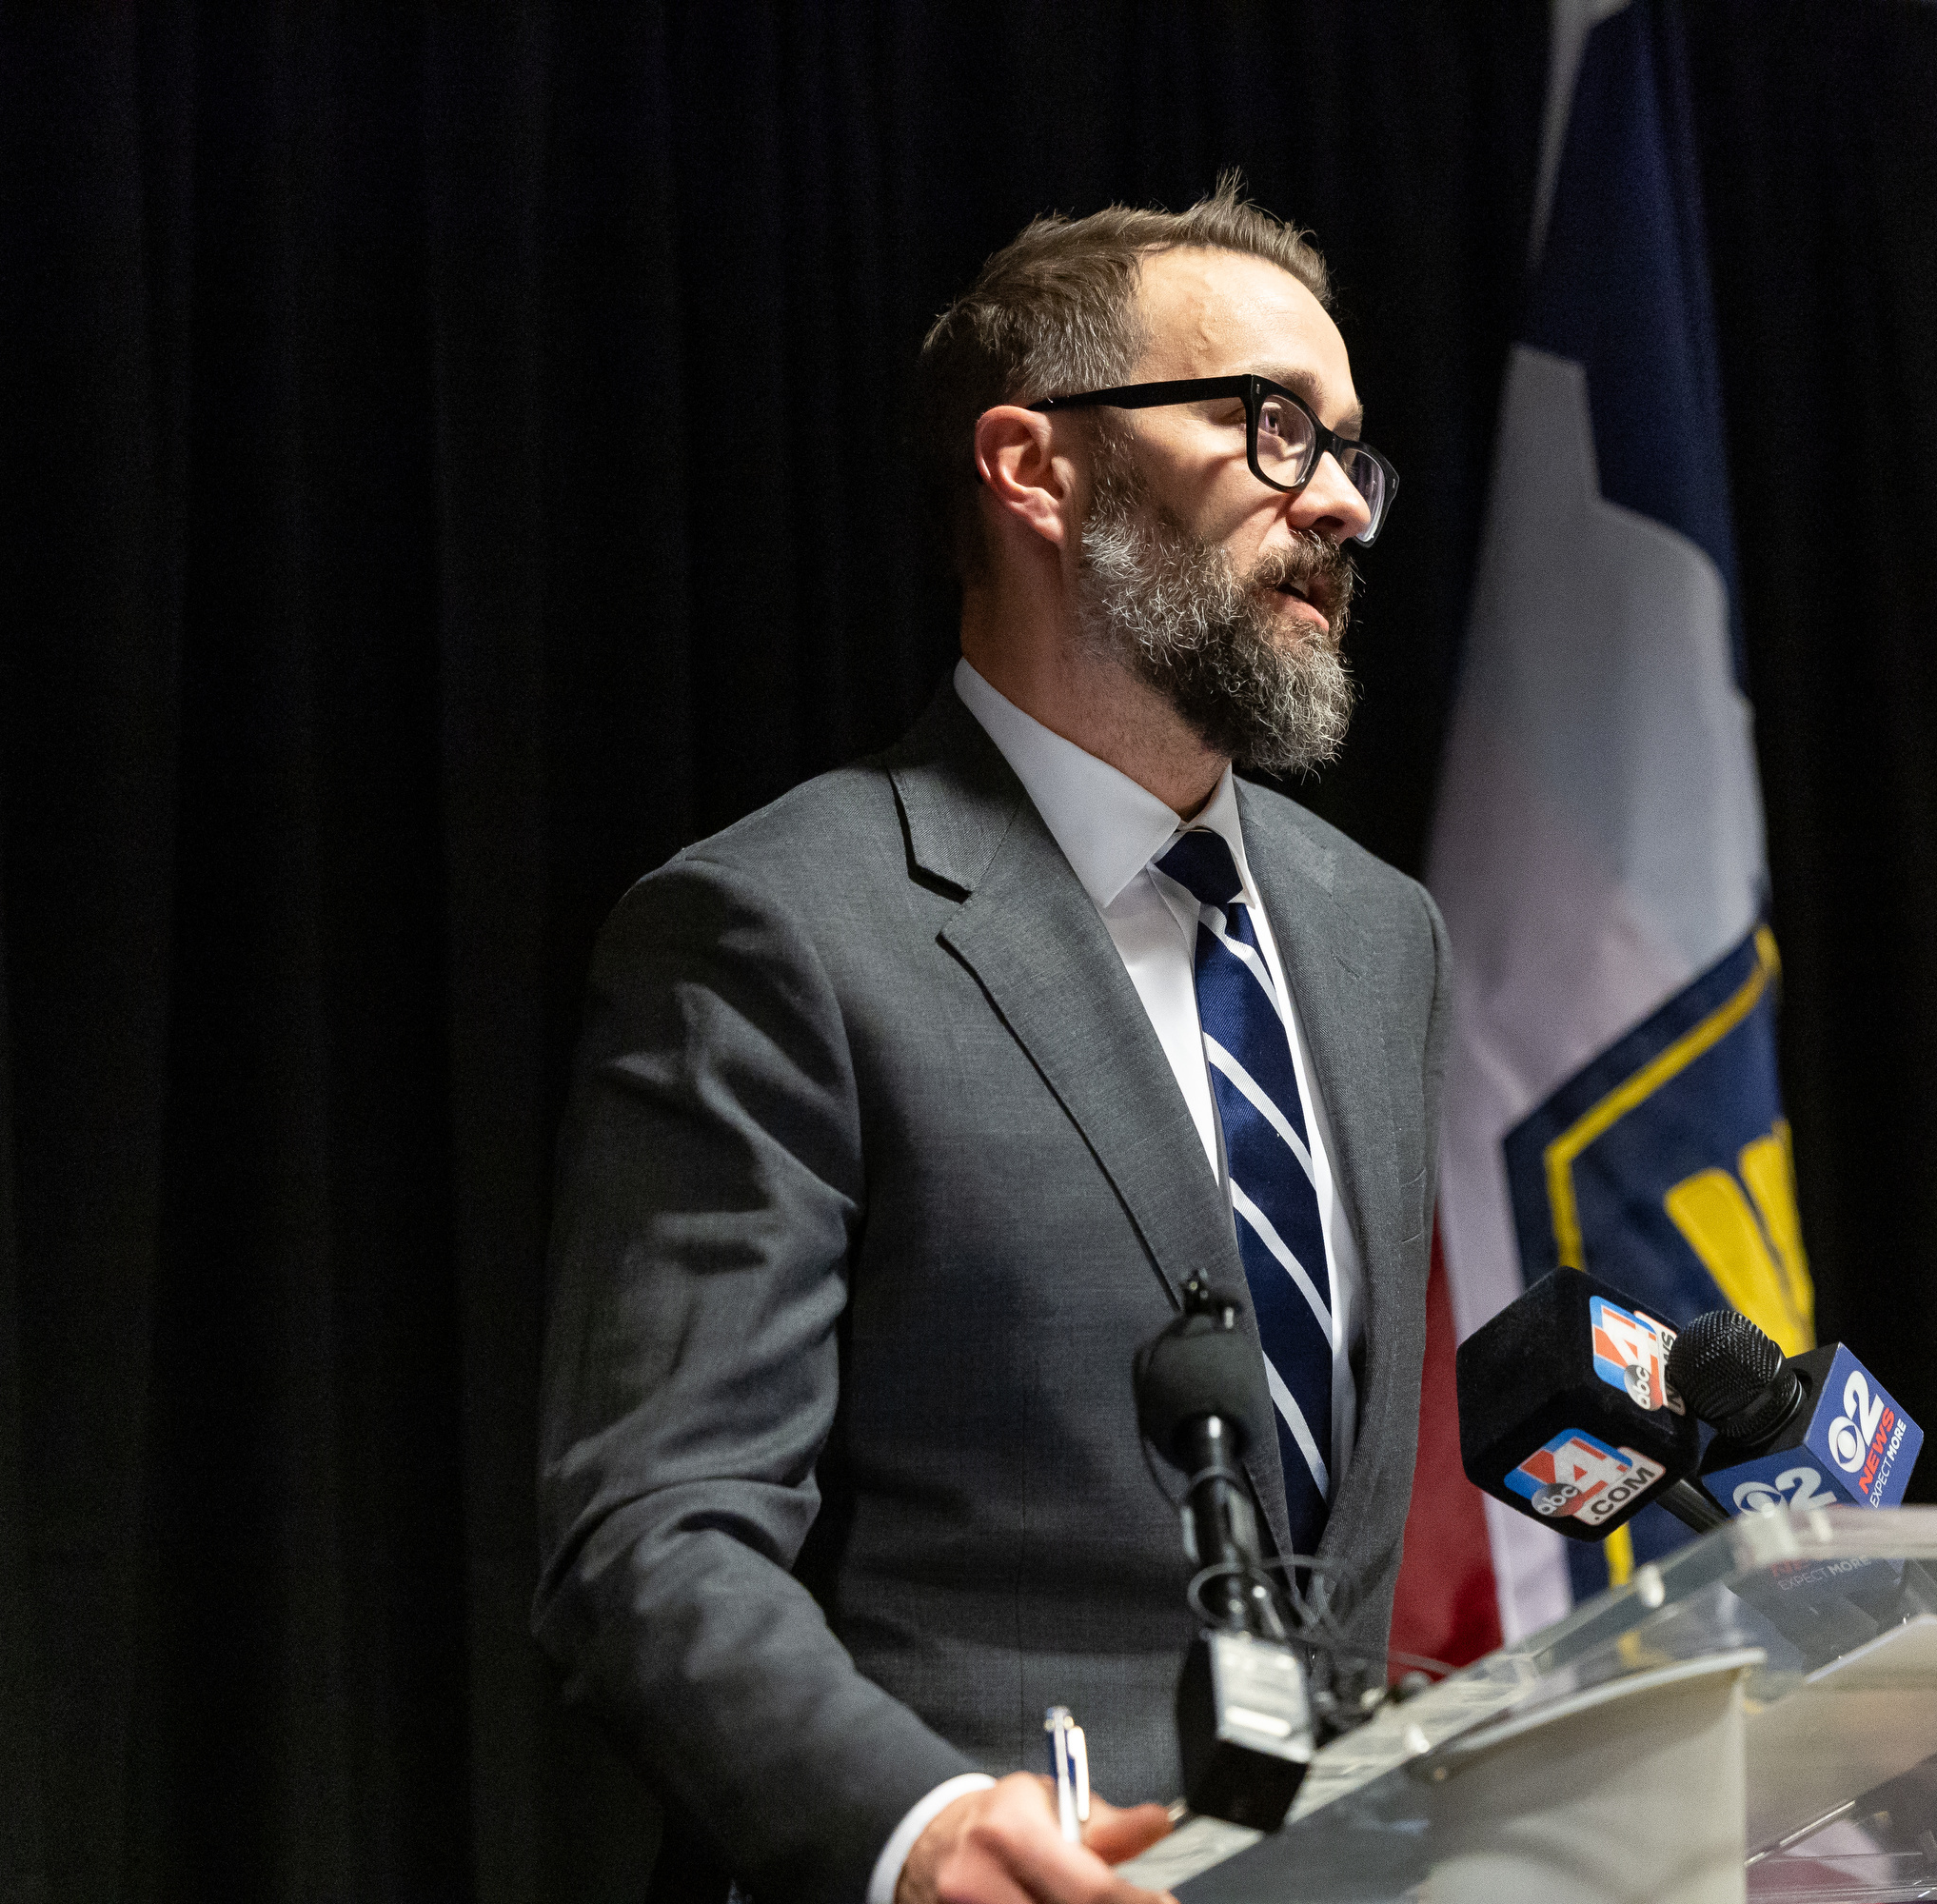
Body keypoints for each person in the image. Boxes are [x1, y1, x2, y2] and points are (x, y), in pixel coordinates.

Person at [534, 183, 1449, 1904]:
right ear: (1035, 468)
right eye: (1267, 429)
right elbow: (654, 1537)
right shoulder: (781, 928)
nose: (1339, 501)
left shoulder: (1374, 932)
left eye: (1346, 450)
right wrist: (916, 1830)